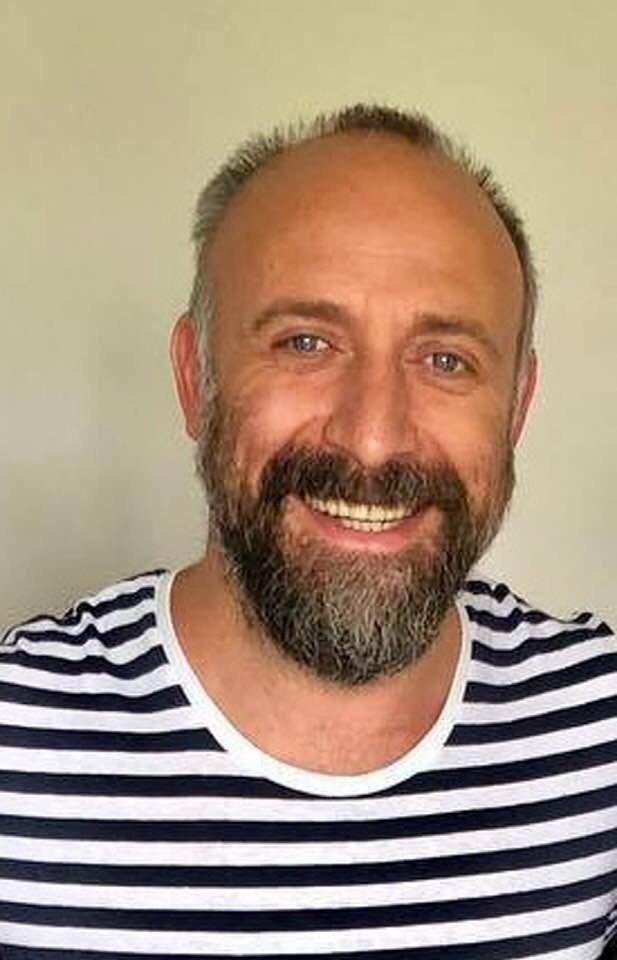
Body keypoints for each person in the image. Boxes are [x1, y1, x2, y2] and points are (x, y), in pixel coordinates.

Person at [0, 103, 615, 959]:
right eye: (304, 343)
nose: (372, 437)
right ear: (195, 378)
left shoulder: (596, 733)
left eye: (446, 360)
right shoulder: (17, 747)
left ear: (515, 408)